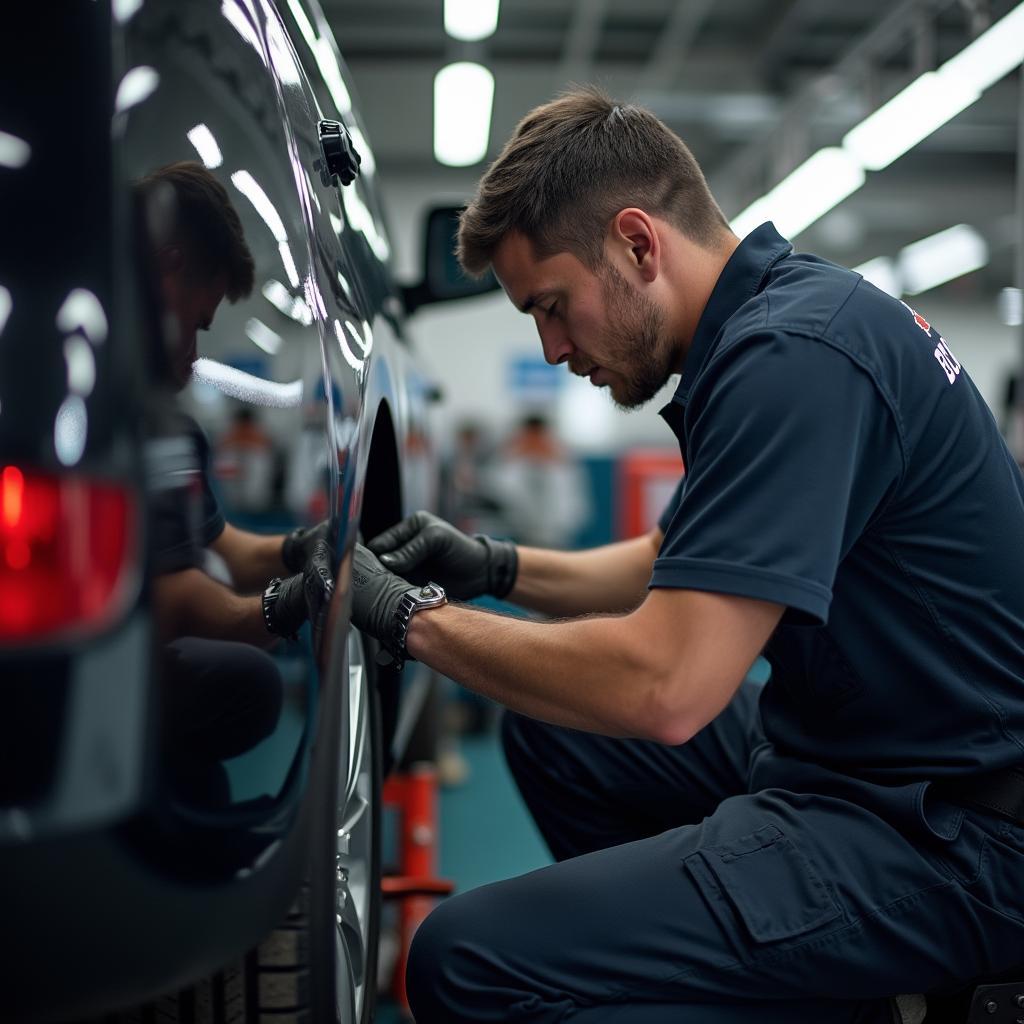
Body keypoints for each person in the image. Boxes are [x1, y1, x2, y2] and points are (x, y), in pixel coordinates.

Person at [349, 88, 1024, 1022]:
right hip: (859, 749)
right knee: (556, 734)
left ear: (636, 242)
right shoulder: (775, 326)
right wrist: (492, 566)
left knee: (461, 960)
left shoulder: (793, 355)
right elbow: (675, 560)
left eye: (552, 306)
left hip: (954, 832)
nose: (550, 349)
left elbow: (666, 687)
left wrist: (410, 618)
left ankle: (800, 970)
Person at [136, 162, 331, 805]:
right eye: (196, 321)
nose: (194, 353)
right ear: (165, 268)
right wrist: (299, 602)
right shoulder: (110, 424)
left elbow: (227, 549)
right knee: (249, 684)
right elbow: (178, 600)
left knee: (205, 787)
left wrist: (314, 547)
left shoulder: (175, 432)